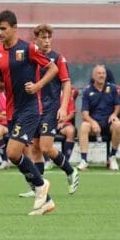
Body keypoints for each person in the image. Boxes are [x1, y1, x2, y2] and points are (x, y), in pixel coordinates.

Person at [0, 10, 58, 215]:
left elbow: (53, 69)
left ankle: (41, 185)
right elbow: (3, 83)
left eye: (3, 28)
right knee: (18, 155)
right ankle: (46, 201)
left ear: (14, 28)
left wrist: (37, 86)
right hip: (12, 111)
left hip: (30, 108)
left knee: (12, 152)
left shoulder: (29, 49)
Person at [20, 23, 78, 197]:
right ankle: (38, 187)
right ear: (35, 39)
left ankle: (70, 171)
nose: (47, 41)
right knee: (35, 149)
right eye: (43, 38)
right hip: (33, 108)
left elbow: (66, 83)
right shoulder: (30, 57)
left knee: (45, 147)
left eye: (49, 37)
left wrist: (63, 107)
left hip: (50, 108)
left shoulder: (58, 58)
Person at [78, 64, 120, 171]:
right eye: (99, 73)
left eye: (103, 73)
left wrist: (114, 114)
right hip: (93, 125)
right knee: (84, 126)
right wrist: (93, 123)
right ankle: (84, 161)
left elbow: (117, 107)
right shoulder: (87, 91)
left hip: (108, 123)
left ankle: (112, 157)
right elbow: (85, 114)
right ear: (93, 76)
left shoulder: (112, 88)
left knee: (118, 125)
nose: (101, 75)